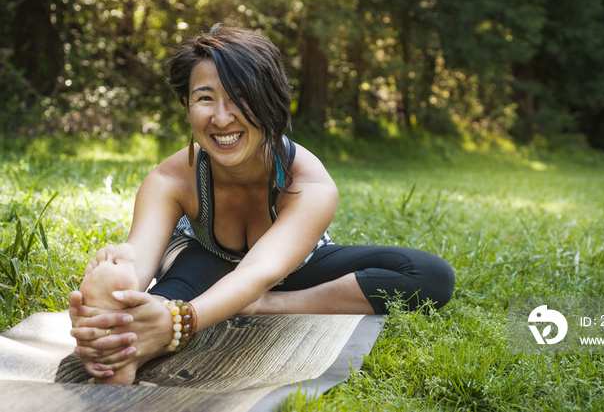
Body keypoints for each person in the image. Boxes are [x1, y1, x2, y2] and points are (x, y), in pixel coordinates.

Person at [68, 25, 455, 384]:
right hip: (205, 260)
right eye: (205, 98)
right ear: (187, 106)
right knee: (162, 297)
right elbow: (140, 254)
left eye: (240, 99)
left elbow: (261, 271)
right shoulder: (171, 179)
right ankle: (122, 341)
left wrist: (187, 319)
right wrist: (118, 296)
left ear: (269, 104)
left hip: (290, 269)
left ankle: (257, 307)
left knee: (431, 274)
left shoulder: (308, 180)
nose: (222, 118)